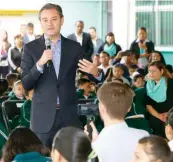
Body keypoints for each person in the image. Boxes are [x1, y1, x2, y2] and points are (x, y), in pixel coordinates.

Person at [21, 3, 99, 148]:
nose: (49, 24)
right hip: (42, 118)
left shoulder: (74, 47)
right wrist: (40, 63)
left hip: (68, 115)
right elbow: (26, 83)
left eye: (54, 19)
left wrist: (96, 72)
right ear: (41, 22)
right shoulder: (30, 48)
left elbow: (91, 73)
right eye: (45, 20)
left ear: (62, 20)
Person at [85, 82, 149, 162]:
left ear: (101, 108)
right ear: (129, 108)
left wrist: (92, 144)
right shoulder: (144, 136)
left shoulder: (96, 146)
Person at [145, 61, 173, 137]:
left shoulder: (170, 82)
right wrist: (159, 116)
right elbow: (148, 104)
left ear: (161, 71)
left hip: (170, 115)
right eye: (150, 71)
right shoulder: (148, 84)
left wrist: (169, 114)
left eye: (154, 71)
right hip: (155, 115)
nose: (151, 73)